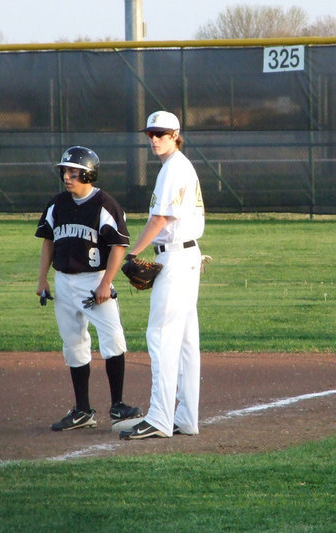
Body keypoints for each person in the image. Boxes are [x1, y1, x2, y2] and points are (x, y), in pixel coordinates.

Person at [35, 145, 142, 431]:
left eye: (73, 172)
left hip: (95, 281)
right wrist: (42, 279)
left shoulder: (105, 205)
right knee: (73, 345)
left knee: (113, 338)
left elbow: (119, 245)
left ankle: (118, 406)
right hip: (64, 281)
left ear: (89, 173)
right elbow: (48, 241)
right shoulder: (57, 204)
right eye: (65, 172)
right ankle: (83, 411)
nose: (67, 177)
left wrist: (107, 282)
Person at [119, 111, 205, 440]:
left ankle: (159, 417)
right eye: (150, 133)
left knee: (161, 337)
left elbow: (159, 221)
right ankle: (185, 418)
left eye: (161, 133)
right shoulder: (179, 165)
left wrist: (134, 253)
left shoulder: (173, 168)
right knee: (184, 342)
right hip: (186, 257)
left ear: (175, 135)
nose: (154, 139)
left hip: (176, 259)